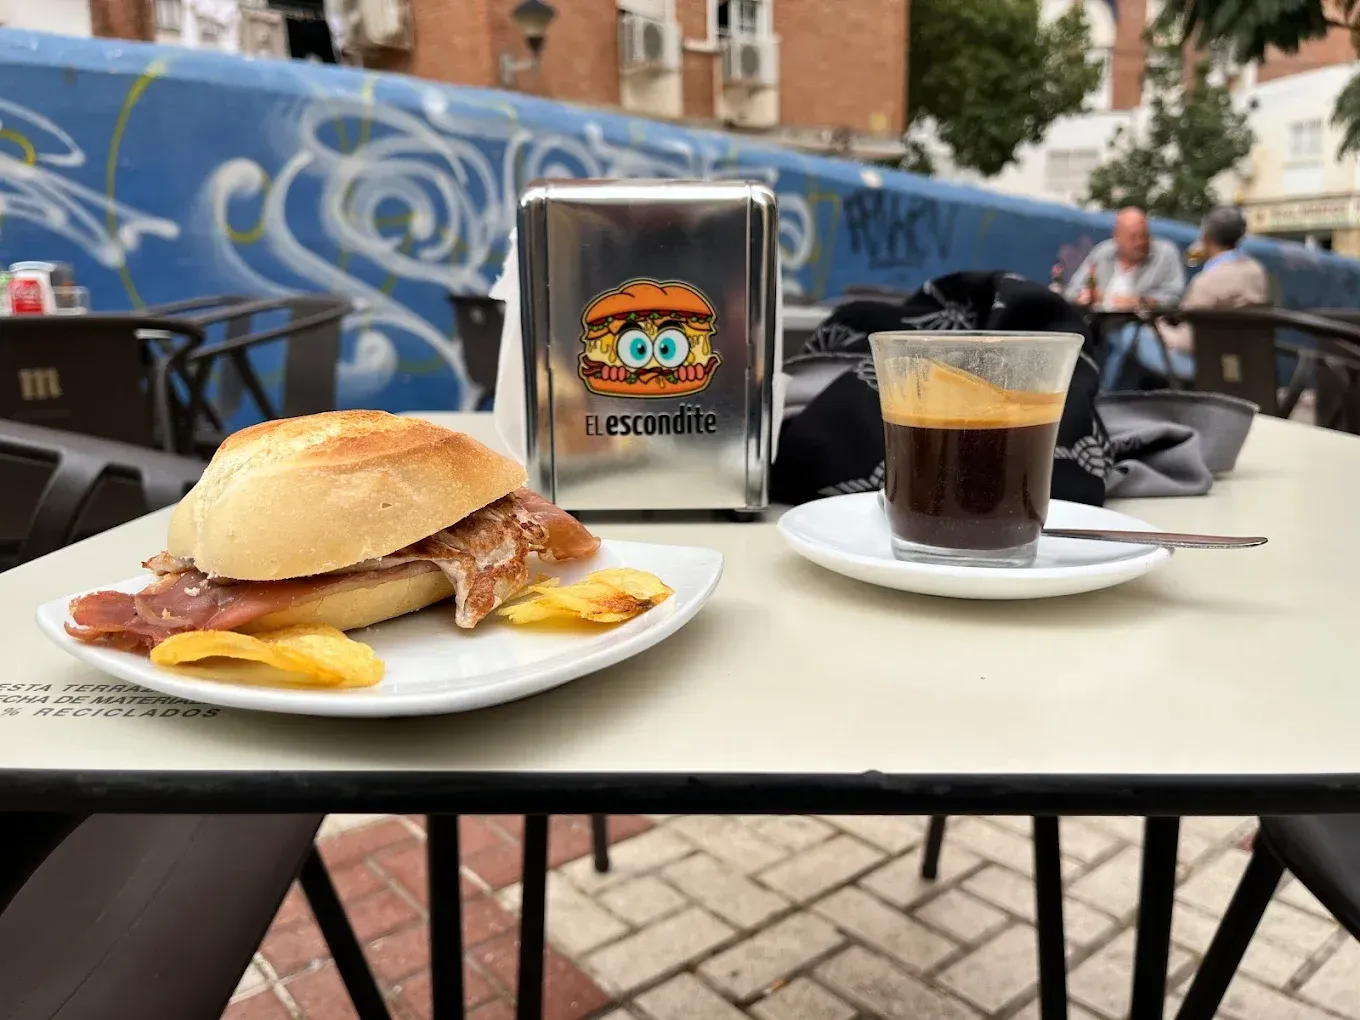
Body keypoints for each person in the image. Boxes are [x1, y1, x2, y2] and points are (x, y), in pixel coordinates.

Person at [1122, 205, 1270, 383]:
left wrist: (1159, 327)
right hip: (1247, 363)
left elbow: (1187, 342)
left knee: (1129, 333)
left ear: (1205, 237)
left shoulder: (1206, 283)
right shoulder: (1258, 272)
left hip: (1207, 366)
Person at [1064, 207, 1186, 311]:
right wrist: (1084, 297)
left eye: (1144, 235)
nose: (1140, 242)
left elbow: (1174, 296)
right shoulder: (1103, 252)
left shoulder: (1165, 253)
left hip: (1142, 322)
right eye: (1133, 238)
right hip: (1098, 321)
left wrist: (1139, 302)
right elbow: (1072, 290)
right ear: (1117, 237)